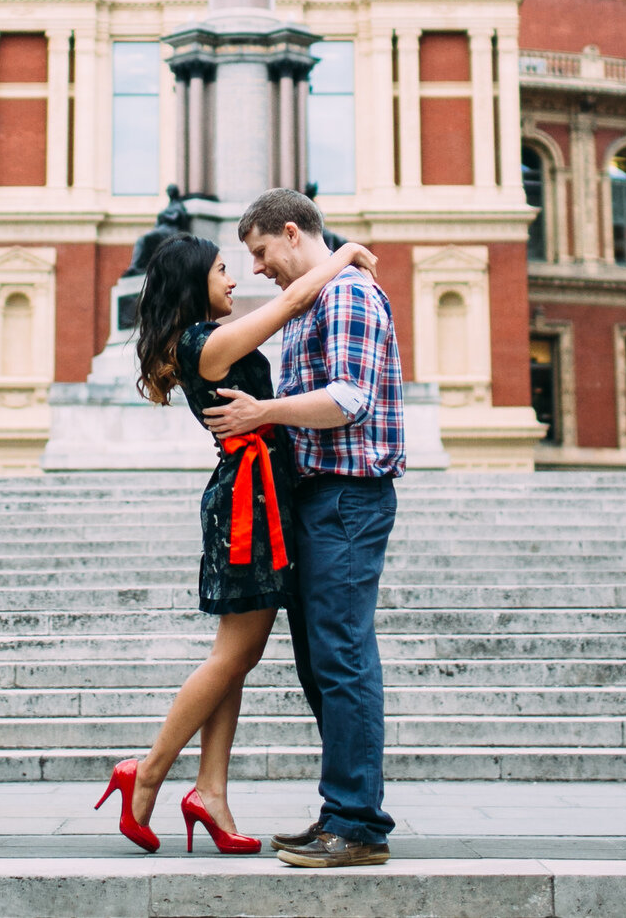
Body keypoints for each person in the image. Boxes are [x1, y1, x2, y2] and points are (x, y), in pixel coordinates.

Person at [94, 229, 380, 854]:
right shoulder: (206, 342)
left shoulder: (202, 340)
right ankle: (144, 773)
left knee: (237, 656)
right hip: (247, 502)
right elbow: (292, 302)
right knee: (232, 655)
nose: (234, 280)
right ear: (195, 281)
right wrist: (344, 255)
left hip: (257, 496)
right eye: (224, 269)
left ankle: (211, 791)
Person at [203, 187, 403, 870]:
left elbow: (349, 400)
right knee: (325, 661)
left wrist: (264, 412)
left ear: (291, 232)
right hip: (325, 499)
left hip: (347, 497)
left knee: (341, 657)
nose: (257, 268)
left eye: (260, 251)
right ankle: (348, 811)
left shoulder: (347, 295)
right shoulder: (321, 296)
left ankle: (356, 822)